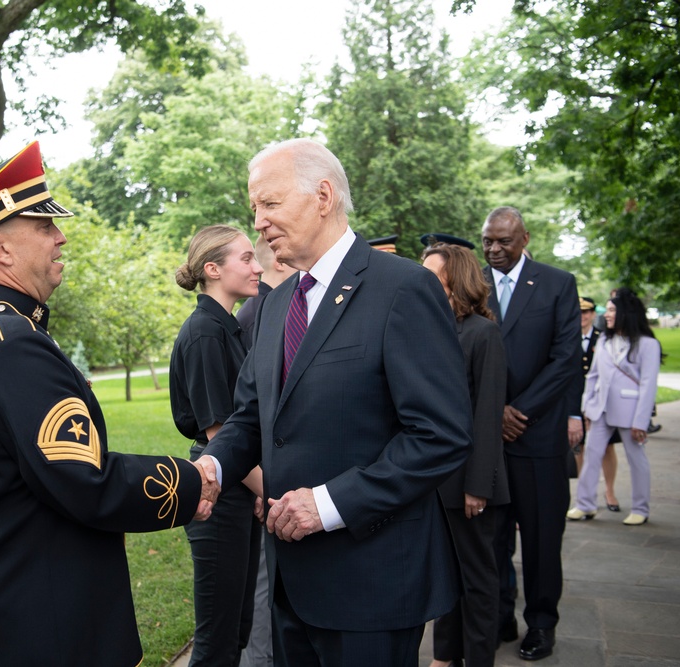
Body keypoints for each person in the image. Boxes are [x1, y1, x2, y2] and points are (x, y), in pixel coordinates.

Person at [0, 141, 218, 666]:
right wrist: (192, 481)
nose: (61, 237)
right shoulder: (14, 346)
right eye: (43, 226)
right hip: (47, 625)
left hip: (25, 612)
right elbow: (87, 482)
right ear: (0, 248)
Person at [200, 138, 472, 667]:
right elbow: (253, 419)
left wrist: (326, 506)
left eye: (269, 203)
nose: (257, 221)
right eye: (254, 206)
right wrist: (210, 468)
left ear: (323, 195)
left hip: (371, 585)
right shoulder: (276, 304)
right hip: (290, 583)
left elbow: (440, 436)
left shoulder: (403, 288)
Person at [482, 206, 580, 662]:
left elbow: (565, 360)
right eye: (487, 241)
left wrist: (517, 411)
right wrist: (491, 413)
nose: (494, 249)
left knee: (542, 541)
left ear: (523, 238)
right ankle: (500, 616)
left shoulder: (557, 283)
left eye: (503, 241)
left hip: (537, 438)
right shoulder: (475, 283)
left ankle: (541, 624)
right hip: (487, 443)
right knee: (492, 539)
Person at [170, 225, 264, 666]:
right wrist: (271, 489)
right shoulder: (205, 332)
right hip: (217, 492)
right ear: (212, 269)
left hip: (238, 489)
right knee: (217, 639)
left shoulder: (227, 326)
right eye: (246, 258)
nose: (258, 266)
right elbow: (220, 436)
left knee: (237, 629)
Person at [422, 241, 509, 667]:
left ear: (455, 281)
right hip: (434, 483)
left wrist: (478, 485)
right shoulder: (429, 329)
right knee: (445, 576)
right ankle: (443, 657)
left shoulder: (482, 332)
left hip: (469, 484)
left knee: (478, 581)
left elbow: (488, 415)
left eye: (432, 277)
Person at [235, 234, 293, 667]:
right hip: (263, 482)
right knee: (263, 591)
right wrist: (264, 486)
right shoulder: (262, 309)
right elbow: (247, 412)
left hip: (271, 482)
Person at [568, 288, 661, 526]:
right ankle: (585, 505)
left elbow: (649, 386)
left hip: (631, 414)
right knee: (591, 457)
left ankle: (640, 508)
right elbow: (593, 377)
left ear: (625, 313)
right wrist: (587, 409)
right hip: (600, 410)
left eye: (611, 310)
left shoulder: (648, 344)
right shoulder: (606, 340)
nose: (606, 314)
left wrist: (641, 421)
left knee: (636, 460)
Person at [569, 297, 620, 511]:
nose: (583, 316)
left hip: (600, 402)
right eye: (579, 312)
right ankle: (584, 496)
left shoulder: (602, 338)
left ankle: (609, 491)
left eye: (587, 312)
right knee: (577, 447)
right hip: (574, 400)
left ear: (592, 314)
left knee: (607, 447)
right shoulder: (567, 337)